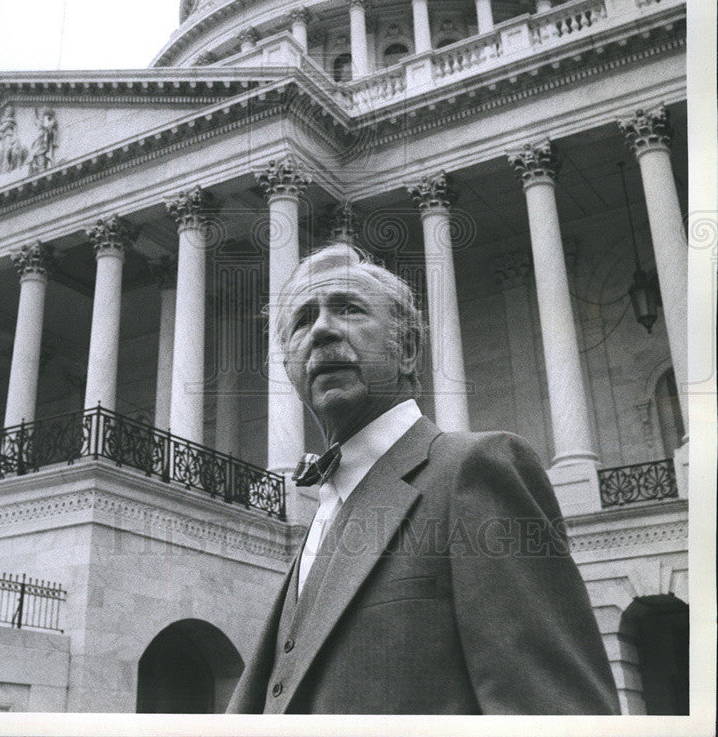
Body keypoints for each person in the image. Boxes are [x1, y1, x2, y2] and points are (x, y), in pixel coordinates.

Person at [227, 244, 620, 715]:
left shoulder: (477, 469)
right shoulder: (323, 508)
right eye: (302, 320)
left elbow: (555, 715)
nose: (322, 329)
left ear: (409, 350)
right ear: (290, 366)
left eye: (348, 308)